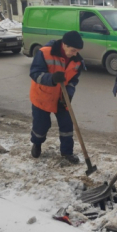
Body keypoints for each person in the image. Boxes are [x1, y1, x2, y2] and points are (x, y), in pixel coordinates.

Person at [29, 31, 85, 164]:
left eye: (77, 51)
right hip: (43, 95)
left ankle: (67, 152)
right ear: (64, 45)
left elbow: (73, 81)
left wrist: (69, 94)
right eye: (73, 50)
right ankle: (37, 144)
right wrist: (52, 78)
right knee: (41, 125)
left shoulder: (77, 61)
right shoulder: (44, 53)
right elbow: (35, 73)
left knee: (67, 125)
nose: (75, 53)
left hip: (62, 97)